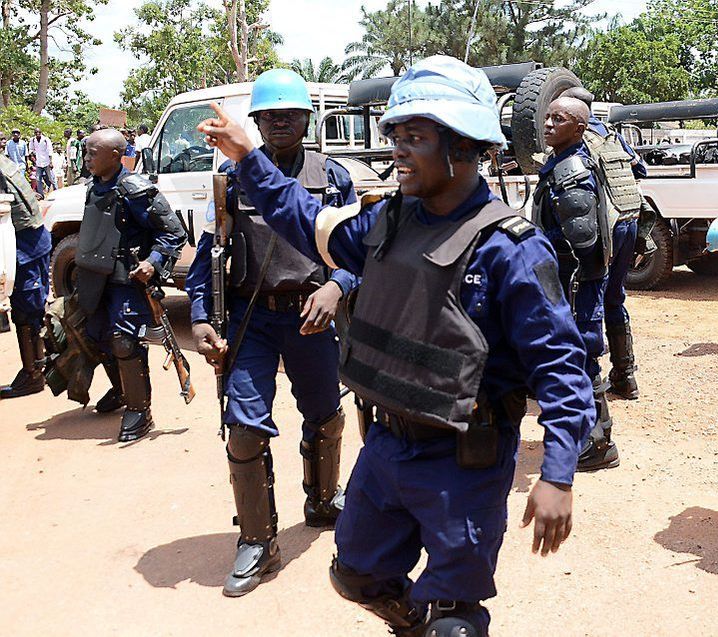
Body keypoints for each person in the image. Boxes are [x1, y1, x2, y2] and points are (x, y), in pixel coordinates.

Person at [198, 55, 594, 637]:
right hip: (385, 448)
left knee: (454, 622)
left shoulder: (511, 249)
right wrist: (248, 156)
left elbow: (562, 368)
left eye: (416, 137)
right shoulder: (385, 223)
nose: (399, 150)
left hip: (465, 460)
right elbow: (300, 216)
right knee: (355, 576)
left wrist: (558, 473)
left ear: (461, 146)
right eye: (396, 137)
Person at [184, 68, 358, 597]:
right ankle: (258, 540)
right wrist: (198, 317)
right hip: (251, 319)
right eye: (270, 114)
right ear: (256, 122)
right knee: (243, 424)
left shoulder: (332, 177)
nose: (281, 121)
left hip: (312, 315)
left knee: (325, 415)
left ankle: (323, 500)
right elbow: (209, 258)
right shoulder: (231, 178)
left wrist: (338, 287)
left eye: (291, 113)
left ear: (308, 117)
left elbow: (358, 250)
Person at [75, 129, 187, 442]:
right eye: (86, 152)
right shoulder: (92, 187)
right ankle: (123, 390)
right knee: (97, 336)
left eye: (92, 153)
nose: (87, 158)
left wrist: (153, 262)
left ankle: (140, 409)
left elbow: (174, 234)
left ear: (115, 155)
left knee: (124, 341)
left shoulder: (135, 190)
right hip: (96, 278)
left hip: (128, 280)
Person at [533, 95, 620, 473]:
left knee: (582, 354)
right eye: (547, 116)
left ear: (580, 128)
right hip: (569, 280)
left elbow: (583, 243)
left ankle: (599, 443)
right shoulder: (558, 163)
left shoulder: (571, 172)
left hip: (576, 283)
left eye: (559, 119)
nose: (548, 124)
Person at [560, 86, 646, 400]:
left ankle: (589, 384)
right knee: (615, 297)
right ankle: (625, 376)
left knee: (588, 298)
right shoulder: (611, 134)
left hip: (603, 228)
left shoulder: (579, 139)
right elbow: (640, 169)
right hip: (629, 223)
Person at [0, 152, 52, 399]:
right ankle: (37, 369)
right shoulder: (4, 161)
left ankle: (33, 374)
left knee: (27, 312)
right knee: (31, 309)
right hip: (33, 242)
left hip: (24, 247)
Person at [28, 128, 55, 195]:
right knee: (38, 179)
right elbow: (31, 149)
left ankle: (56, 191)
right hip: (38, 163)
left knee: (51, 178)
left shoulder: (46, 139)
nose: (37, 133)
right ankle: (41, 195)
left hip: (46, 162)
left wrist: (51, 162)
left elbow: (50, 150)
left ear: (41, 132)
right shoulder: (33, 140)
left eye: (39, 132)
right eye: (36, 132)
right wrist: (32, 156)